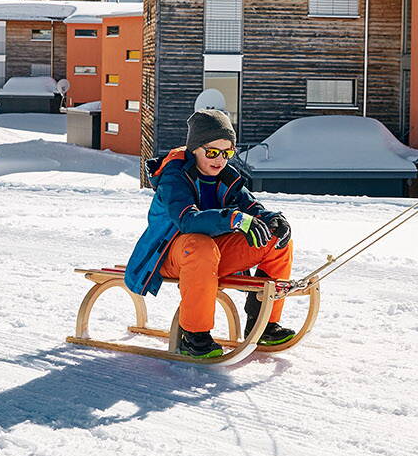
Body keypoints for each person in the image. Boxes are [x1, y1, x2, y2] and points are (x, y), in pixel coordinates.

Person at [123, 107, 296, 359]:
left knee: (276, 241)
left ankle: (264, 322)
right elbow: (187, 221)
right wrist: (233, 219)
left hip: (210, 255)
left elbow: (251, 206)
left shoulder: (227, 176)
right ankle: (193, 335)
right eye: (213, 152)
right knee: (200, 245)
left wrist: (273, 220)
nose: (220, 159)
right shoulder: (175, 177)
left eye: (227, 152)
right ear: (194, 149)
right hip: (169, 255)